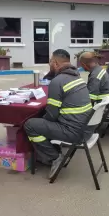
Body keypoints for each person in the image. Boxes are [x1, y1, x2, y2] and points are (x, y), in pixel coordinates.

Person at [24, 49, 94, 178]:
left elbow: (52, 115)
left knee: (30, 124)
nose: (49, 64)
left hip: (75, 133)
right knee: (41, 121)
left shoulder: (58, 81)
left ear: (55, 63)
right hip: (87, 129)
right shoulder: (76, 76)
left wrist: (42, 120)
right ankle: (49, 152)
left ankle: (55, 156)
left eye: (50, 61)